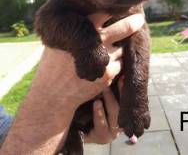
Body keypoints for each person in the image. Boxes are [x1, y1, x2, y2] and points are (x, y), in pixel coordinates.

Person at [0, 13, 145, 155]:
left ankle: (76, 132)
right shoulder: (64, 3)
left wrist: (135, 103)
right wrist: (52, 106)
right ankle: (75, 130)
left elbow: (2, 127)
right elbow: (46, 20)